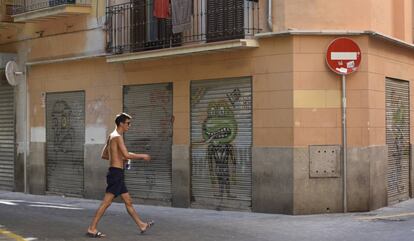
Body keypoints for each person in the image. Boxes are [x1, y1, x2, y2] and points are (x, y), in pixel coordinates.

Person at [86, 113, 154, 238]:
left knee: (128, 201)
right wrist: (143, 156)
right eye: (128, 123)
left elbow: (104, 155)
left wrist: (119, 157)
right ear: (121, 123)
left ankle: (141, 225)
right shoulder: (118, 137)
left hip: (116, 173)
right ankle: (92, 228)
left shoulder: (111, 136)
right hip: (116, 174)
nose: (129, 125)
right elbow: (127, 155)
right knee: (106, 203)